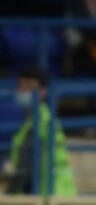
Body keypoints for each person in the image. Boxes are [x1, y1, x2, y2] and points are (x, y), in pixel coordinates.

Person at [5, 67, 77, 198]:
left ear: (43, 91)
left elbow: (26, 166)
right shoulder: (36, 119)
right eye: (21, 86)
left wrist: (9, 193)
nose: (23, 91)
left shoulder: (41, 121)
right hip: (52, 193)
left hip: (49, 194)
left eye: (29, 87)